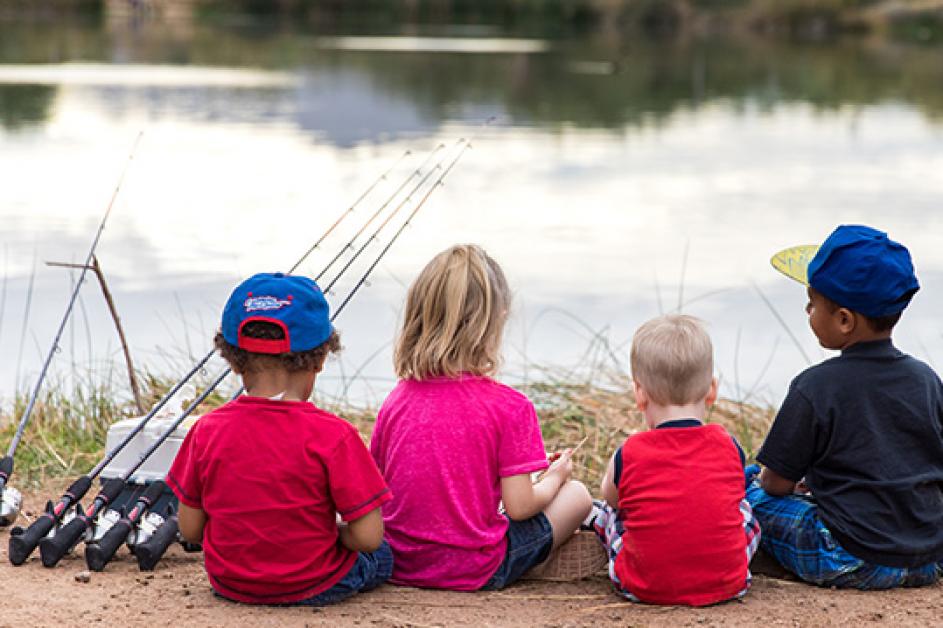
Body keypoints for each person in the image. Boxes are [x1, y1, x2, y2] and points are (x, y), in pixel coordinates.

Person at [370, 244, 593, 591]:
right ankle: (533, 563)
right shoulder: (511, 406)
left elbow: (385, 488)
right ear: (499, 318)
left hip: (400, 562)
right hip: (475, 569)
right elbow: (520, 508)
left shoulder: (396, 400)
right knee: (578, 495)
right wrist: (554, 478)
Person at [167, 272, 393, 605]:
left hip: (231, 583)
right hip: (315, 583)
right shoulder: (336, 435)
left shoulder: (206, 431)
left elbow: (190, 531)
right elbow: (369, 537)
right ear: (319, 359)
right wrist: (331, 535)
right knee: (385, 555)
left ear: (232, 360)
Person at [748, 224, 943, 588]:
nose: (807, 310)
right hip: (928, 558)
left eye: (812, 302)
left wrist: (791, 487)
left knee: (749, 495)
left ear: (843, 320)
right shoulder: (926, 379)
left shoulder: (814, 386)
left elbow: (774, 484)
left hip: (851, 555)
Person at [592, 314, 760, 606]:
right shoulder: (729, 445)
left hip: (642, 587)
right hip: (729, 584)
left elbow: (613, 499)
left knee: (606, 513)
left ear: (639, 394)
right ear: (712, 390)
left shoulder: (629, 451)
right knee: (746, 507)